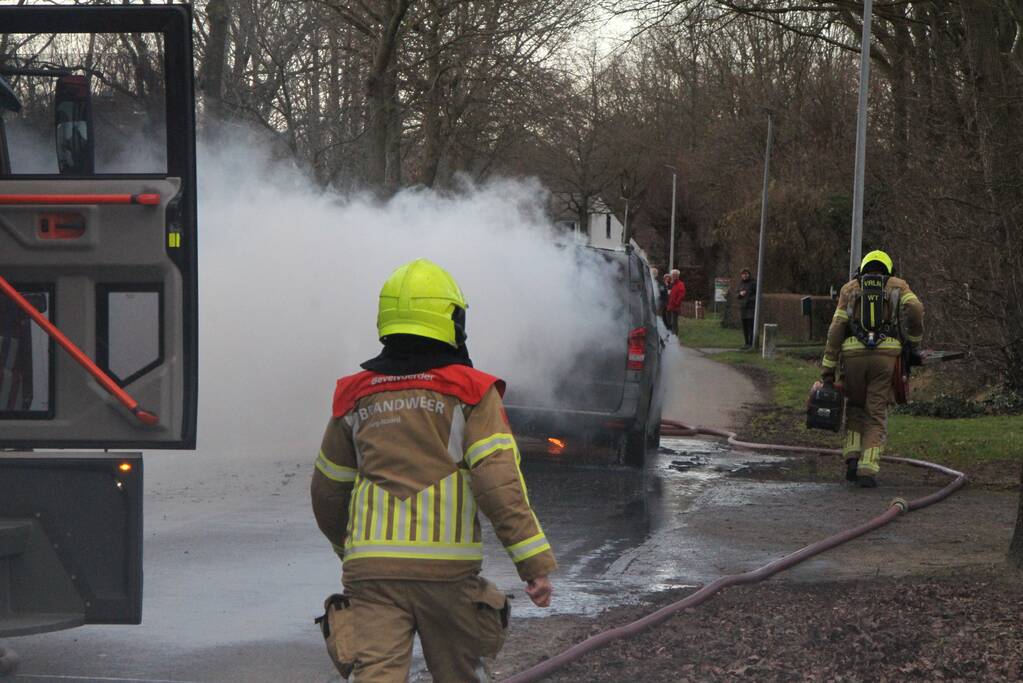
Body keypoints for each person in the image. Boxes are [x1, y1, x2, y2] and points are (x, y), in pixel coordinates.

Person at [310, 258, 556, 682]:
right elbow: (498, 482)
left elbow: (328, 492)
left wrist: (349, 549)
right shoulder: (472, 393)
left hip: (372, 575)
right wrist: (532, 562)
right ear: (452, 320)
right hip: (448, 576)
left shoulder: (354, 396)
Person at [820, 250, 924, 488]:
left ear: (863, 269)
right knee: (875, 412)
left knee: (855, 408)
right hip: (885, 357)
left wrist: (828, 369)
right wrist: (914, 340)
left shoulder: (850, 288)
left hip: (853, 355)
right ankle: (868, 469)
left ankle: (852, 462)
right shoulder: (898, 286)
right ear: (889, 269)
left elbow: (836, 328)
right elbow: (916, 309)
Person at [736, 268, 756, 349]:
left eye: (746, 274)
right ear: (741, 275)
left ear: (749, 274)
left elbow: (757, 294)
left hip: (751, 308)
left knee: (750, 326)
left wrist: (749, 299)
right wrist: (740, 294)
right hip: (743, 308)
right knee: (744, 327)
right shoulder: (740, 284)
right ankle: (746, 343)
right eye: (743, 274)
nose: (744, 275)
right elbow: (736, 294)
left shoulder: (753, 283)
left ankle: (751, 344)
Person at [666, 269, 686, 335]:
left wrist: (676, 303)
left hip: (675, 307)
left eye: (675, 275)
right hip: (669, 306)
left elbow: (681, 296)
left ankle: (675, 336)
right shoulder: (671, 284)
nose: (673, 276)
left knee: (674, 322)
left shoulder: (680, 284)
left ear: (678, 276)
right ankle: (669, 335)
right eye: (672, 275)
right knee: (668, 322)